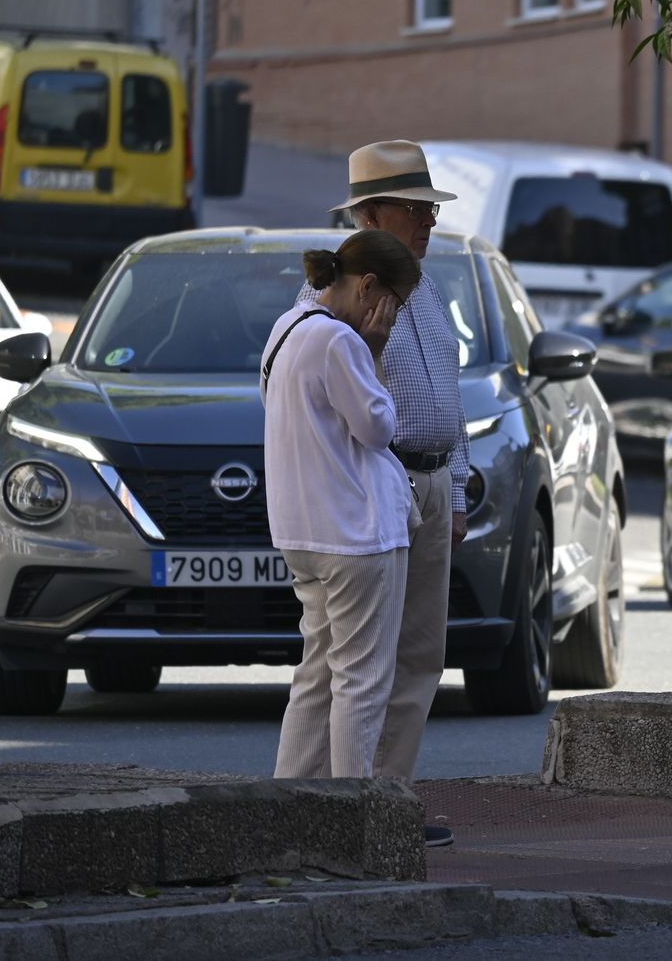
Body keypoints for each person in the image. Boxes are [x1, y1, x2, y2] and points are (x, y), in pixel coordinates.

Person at [307, 140, 470, 845]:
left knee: (419, 657)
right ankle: (336, 807)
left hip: (430, 482)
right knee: (353, 663)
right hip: (382, 484)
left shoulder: (427, 286)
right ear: (371, 215)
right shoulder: (343, 294)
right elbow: (330, 398)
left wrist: (457, 487)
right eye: (415, 209)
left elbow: (450, 392)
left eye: (430, 209)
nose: (428, 222)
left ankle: (390, 803)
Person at [262, 229, 422, 779]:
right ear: (369, 286)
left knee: (315, 678)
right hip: (356, 533)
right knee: (361, 681)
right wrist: (374, 354)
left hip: (302, 532)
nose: (392, 319)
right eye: (394, 305)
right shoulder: (341, 341)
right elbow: (377, 427)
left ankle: (292, 808)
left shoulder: (286, 328)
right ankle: (354, 818)